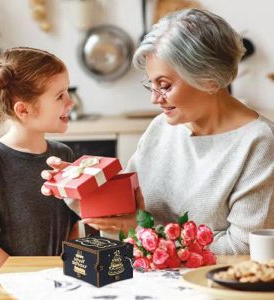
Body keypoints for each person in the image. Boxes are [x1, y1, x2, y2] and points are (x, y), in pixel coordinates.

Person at [41, 9, 274, 256]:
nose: (154, 98)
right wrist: (81, 187)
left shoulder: (259, 143)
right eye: (151, 84)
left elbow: (244, 249)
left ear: (210, 79)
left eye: (164, 86)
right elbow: (127, 213)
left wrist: (146, 233)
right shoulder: (162, 127)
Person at [0, 47, 78, 295]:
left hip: (52, 284)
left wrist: (66, 271)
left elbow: (73, 226)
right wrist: (22, 280)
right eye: (59, 96)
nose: (70, 102)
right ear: (23, 110)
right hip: (2, 286)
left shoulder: (63, 156)